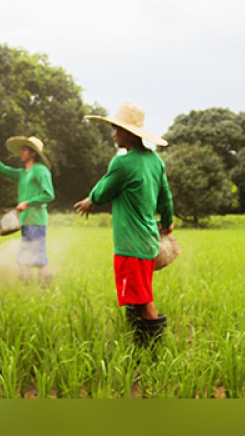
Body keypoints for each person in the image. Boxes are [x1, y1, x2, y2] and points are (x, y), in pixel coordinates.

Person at [73, 102, 173, 345]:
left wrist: (90, 200)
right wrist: (167, 223)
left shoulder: (122, 163)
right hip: (148, 241)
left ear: (129, 133)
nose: (114, 134)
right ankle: (137, 348)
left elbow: (103, 191)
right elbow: (166, 198)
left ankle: (152, 353)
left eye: (117, 129)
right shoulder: (155, 161)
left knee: (143, 301)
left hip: (131, 245)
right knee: (137, 298)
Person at [0, 134, 55, 283]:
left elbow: (49, 195)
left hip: (36, 220)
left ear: (33, 153)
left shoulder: (41, 170)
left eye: (25, 149)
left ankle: (40, 286)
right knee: (30, 257)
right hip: (25, 220)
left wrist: (28, 203)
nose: (22, 152)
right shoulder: (23, 173)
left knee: (34, 259)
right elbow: (2, 169)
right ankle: (34, 287)